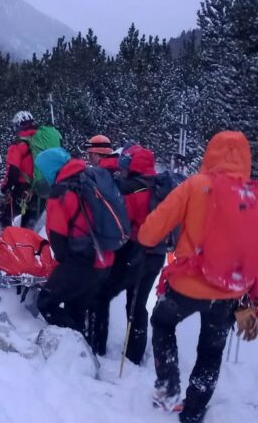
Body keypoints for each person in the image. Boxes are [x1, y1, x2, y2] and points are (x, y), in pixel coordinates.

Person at [138, 131, 258, 423]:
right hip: (230, 291)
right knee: (211, 350)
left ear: (210, 154)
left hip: (187, 285)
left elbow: (149, 233)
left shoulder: (196, 185)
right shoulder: (253, 194)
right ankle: (193, 412)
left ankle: (168, 385)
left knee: (162, 322)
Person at [87, 144, 166, 362]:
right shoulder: (158, 186)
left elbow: (121, 223)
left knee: (102, 295)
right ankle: (134, 354)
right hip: (157, 254)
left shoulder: (133, 191)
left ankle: (97, 345)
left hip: (134, 251)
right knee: (138, 304)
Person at [34, 148, 114, 333]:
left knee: (46, 302)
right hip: (104, 259)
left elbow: (58, 243)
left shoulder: (59, 193)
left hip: (81, 262)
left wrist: (62, 272)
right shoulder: (88, 178)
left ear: (50, 169)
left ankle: (75, 348)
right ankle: (81, 356)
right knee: (75, 308)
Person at [0, 111, 40, 229]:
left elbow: (13, 171)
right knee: (29, 224)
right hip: (41, 189)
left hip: (23, 190)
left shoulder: (17, 146)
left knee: (4, 216)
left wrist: (4, 190)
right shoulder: (41, 142)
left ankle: (8, 244)